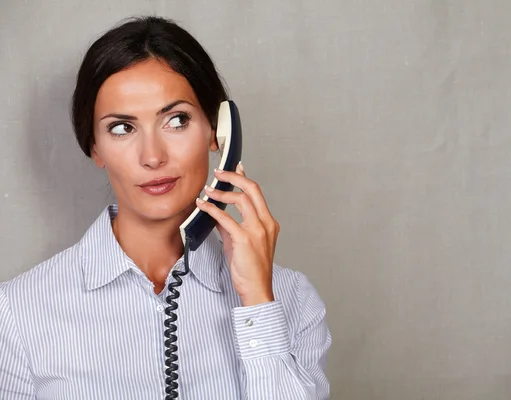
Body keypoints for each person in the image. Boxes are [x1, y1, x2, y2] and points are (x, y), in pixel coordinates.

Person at [0, 16, 331, 399]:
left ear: (217, 131)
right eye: (122, 128)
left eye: (176, 120)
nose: (153, 157)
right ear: (94, 148)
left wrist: (257, 300)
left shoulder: (291, 298)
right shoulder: (17, 312)